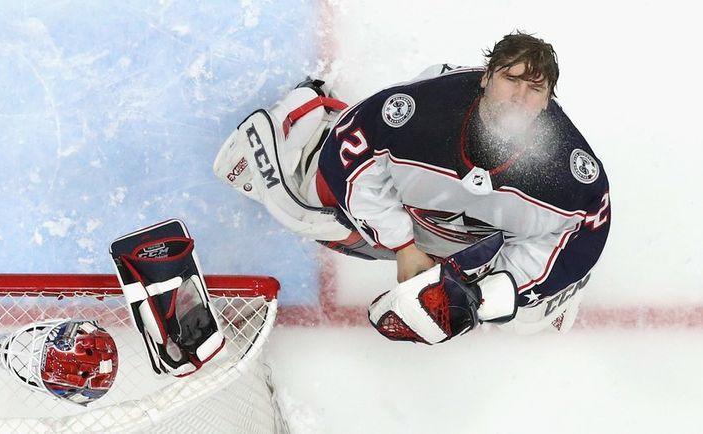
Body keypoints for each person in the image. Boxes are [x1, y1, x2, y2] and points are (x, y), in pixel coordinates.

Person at [214, 31, 610, 342]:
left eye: (535, 89)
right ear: (486, 77)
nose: (520, 97)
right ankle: (311, 109)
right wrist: (402, 244)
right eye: (511, 79)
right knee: (313, 211)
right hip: (416, 208)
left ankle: (535, 295)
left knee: (520, 314)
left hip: (469, 239)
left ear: (547, 102)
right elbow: (350, 151)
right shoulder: (423, 113)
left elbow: (585, 229)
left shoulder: (566, 170)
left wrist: (487, 295)